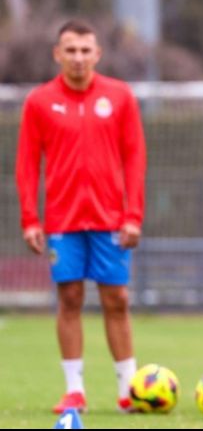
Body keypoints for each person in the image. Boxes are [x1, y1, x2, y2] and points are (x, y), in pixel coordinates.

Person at [15, 20, 146, 414]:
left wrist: (133, 214)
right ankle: (75, 390)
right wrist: (30, 219)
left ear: (97, 54)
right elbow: (26, 165)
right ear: (57, 54)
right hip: (62, 221)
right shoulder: (39, 101)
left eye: (85, 50)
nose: (78, 58)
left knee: (117, 298)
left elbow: (135, 158)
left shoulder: (120, 96)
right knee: (69, 298)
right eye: (70, 50)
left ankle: (129, 390)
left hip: (110, 219)